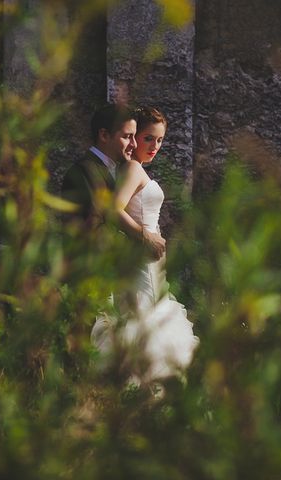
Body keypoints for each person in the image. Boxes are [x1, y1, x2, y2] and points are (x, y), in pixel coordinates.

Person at [91, 106, 199, 384]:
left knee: (149, 312)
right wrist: (145, 236)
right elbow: (113, 211)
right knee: (145, 316)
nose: (154, 146)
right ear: (135, 137)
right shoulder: (132, 168)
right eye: (148, 138)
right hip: (141, 255)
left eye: (160, 140)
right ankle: (145, 382)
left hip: (148, 259)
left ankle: (146, 382)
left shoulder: (133, 169)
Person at [60, 103, 166, 259]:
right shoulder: (85, 170)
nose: (134, 144)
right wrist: (145, 238)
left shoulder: (117, 170)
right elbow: (94, 227)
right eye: (127, 136)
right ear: (104, 135)